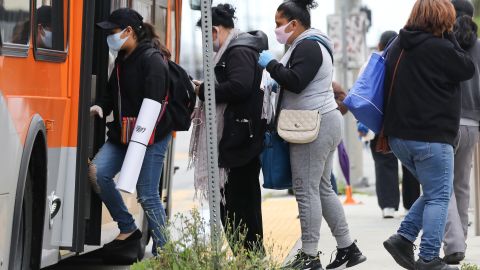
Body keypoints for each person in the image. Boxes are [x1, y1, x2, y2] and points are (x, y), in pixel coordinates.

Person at [258, 0, 366, 269]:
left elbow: (296, 81)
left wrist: (271, 65)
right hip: (322, 122)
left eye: (278, 23)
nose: (276, 29)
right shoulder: (311, 43)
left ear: (294, 24)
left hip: (312, 126)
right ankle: (348, 248)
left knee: (306, 191)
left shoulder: (308, 45)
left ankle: (308, 255)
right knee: (322, 188)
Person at [381, 0, 475, 269]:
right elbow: (466, 68)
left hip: (399, 137)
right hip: (431, 137)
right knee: (439, 195)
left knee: (435, 191)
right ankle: (429, 257)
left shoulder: (398, 45)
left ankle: (403, 238)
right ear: (443, 19)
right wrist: (450, 37)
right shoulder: (441, 47)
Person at [90, 8, 173, 258]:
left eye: (112, 32)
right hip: (124, 132)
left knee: (147, 193)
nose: (109, 38)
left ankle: (165, 252)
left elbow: (156, 103)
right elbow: (110, 92)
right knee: (98, 173)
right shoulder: (121, 60)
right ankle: (128, 227)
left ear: (128, 32)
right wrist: (101, 107)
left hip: (153, 135)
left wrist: (141, 137)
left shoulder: (153, 60)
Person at [190, 4, 268, 252]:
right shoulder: (239, 48)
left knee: (239, 207)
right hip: (241, 137)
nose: (206, 45)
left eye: (205, 37)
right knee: (238, 206)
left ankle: (251, 260)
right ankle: (249, 259)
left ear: (214, 31)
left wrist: (204, 90)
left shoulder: (238, 50)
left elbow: (240, 86)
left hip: (239, 141)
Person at [358, 31, 421, 219]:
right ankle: (411, 205)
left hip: (379, 119)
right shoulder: (409, 60)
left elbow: (362, 93)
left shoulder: (371, 63)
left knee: (384, 162)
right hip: (407, 120)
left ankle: (388, 206)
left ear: (379, 45)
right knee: (410, 163)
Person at [443, 0, 480, 265]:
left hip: (444, 125)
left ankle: (454, 243)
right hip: (472, 125)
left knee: (441, 186)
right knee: (462, 185)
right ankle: (462, 239)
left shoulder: (442, 44)